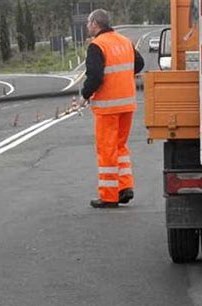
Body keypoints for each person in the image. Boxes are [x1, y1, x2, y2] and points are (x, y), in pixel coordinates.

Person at [81, 9, 145, 209]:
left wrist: (85, 94)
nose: (87, 27)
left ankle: (109, 195)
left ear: (95, 24)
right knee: (120, 147)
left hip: (108, 107)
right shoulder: (124, 41)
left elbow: (95, 76)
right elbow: (139, 63)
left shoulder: (97, 45)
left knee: (107, 149)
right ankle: (125, 187)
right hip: (127, 104)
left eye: (88, 23)